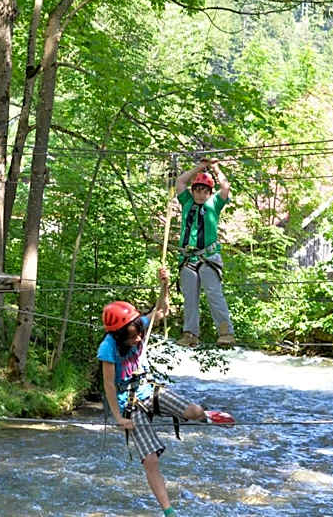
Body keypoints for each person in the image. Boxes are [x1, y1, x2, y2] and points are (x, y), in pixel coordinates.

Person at [98, 268, 234, 517]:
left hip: (150, 390)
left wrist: (166, 285)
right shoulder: (108, 348)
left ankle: (207, 415)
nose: (139, 340)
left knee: (192, 411)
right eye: (132, 338)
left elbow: (162, 311)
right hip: (130, 404)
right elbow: (108, 385)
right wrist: (118, 418)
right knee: (150, 460)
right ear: (118, 337)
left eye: (139, 334)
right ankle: (168, 511)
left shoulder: (139, 326)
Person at [174, 157, 234, 347]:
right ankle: (191, 334)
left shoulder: (214, 204)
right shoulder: (187, 202)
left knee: (214, 294)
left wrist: (215, 168)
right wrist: (199, 168)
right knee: (190, 299)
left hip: (208, 256)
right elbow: (180, 181)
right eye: (197, 190)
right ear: (193, 191)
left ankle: (226, 332)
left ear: (209, 192)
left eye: (204, 191)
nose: (200, 195)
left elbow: (225, 188)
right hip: (187, 258)